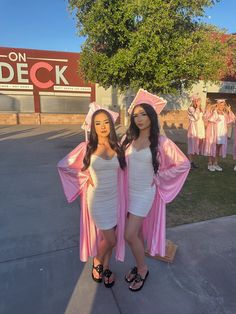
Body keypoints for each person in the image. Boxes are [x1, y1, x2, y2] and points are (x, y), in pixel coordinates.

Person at [122, 89, 190, 292]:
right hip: (129, 192)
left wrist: (160, 177)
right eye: (135, 115)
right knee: (137, 234)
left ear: (152, 116)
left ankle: (142, 269)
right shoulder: (128, 139)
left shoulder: (161, 142)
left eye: (143, 114)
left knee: (129, 234)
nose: (139, 118)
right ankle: (139, 264)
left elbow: (183, 164)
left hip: (144, 193)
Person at [57, 103, 126, 288]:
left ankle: (107, 266)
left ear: (111, 125)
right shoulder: (86, 147)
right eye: (98, 123)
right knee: (110, 239)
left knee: (108, 238)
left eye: (106, 122)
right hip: (97, 201)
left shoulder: (117, 146)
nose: (103, 126)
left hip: (114, 200)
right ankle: (97, 261)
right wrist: (84, 176)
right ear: (92, 126)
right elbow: (64, 165)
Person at [203, 99, 235, 172]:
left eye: (223, 105)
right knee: (212, 147)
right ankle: (210, 163)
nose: (222, 106)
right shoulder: (213, 112)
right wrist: (212, 107)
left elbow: (232, 119)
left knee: (218, 148)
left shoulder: (224, 113)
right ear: (217, 105)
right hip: (214, 133)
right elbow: (206, 116)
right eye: (221, 104)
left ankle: (216, 163)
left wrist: (229, 110)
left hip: (222, 133)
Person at [187, 95, 205, 169]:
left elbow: (203, 117)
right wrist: (197, 107)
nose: (198, 102)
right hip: (194, 128)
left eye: (198, 101)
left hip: (200, 127)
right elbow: (196, 117)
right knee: (192, 145)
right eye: (196, 101)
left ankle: (192, 162)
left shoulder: (200, 109)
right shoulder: (191, 108)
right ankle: (190, 163)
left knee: (197, 145)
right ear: (193, 101)